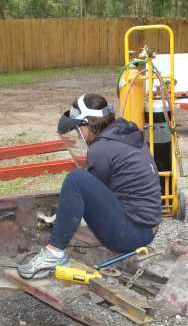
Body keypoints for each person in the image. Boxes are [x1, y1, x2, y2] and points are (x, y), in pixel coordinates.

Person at [18, 94, 162, 279]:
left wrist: (61, 219)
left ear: (88, 124)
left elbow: (86, 192)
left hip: (132, 235)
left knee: (76, 179)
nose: (77, 133)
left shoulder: (102, 149)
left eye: (78, 128)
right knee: (80, 182)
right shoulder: (123, 135)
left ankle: (54, 254)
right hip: (146, 229)